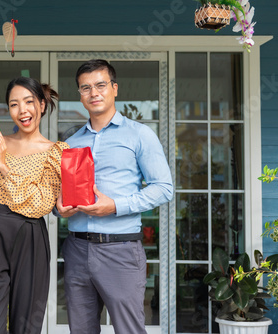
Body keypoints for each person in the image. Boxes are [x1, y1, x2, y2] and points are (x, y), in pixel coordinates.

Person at [56, 59, 173, 334]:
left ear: (115, 89)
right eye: (85, 88)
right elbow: (58, 195)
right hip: (76, 250)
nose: (93, 93)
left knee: (129, 330)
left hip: (120, 251)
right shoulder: (70, 143)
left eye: (100, 85)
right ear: (80, 95)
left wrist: (116, 206)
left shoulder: (140, 135)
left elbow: (164, 187)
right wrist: (58, 208)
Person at [0, 77, 69, 334]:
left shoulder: (56, 151)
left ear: (42, 105)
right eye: (14, 104)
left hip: (30, 236)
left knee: (26, 325)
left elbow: (41, 204)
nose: (22, 110)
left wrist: (4, 167)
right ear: (8, 110)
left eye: (29, 102)